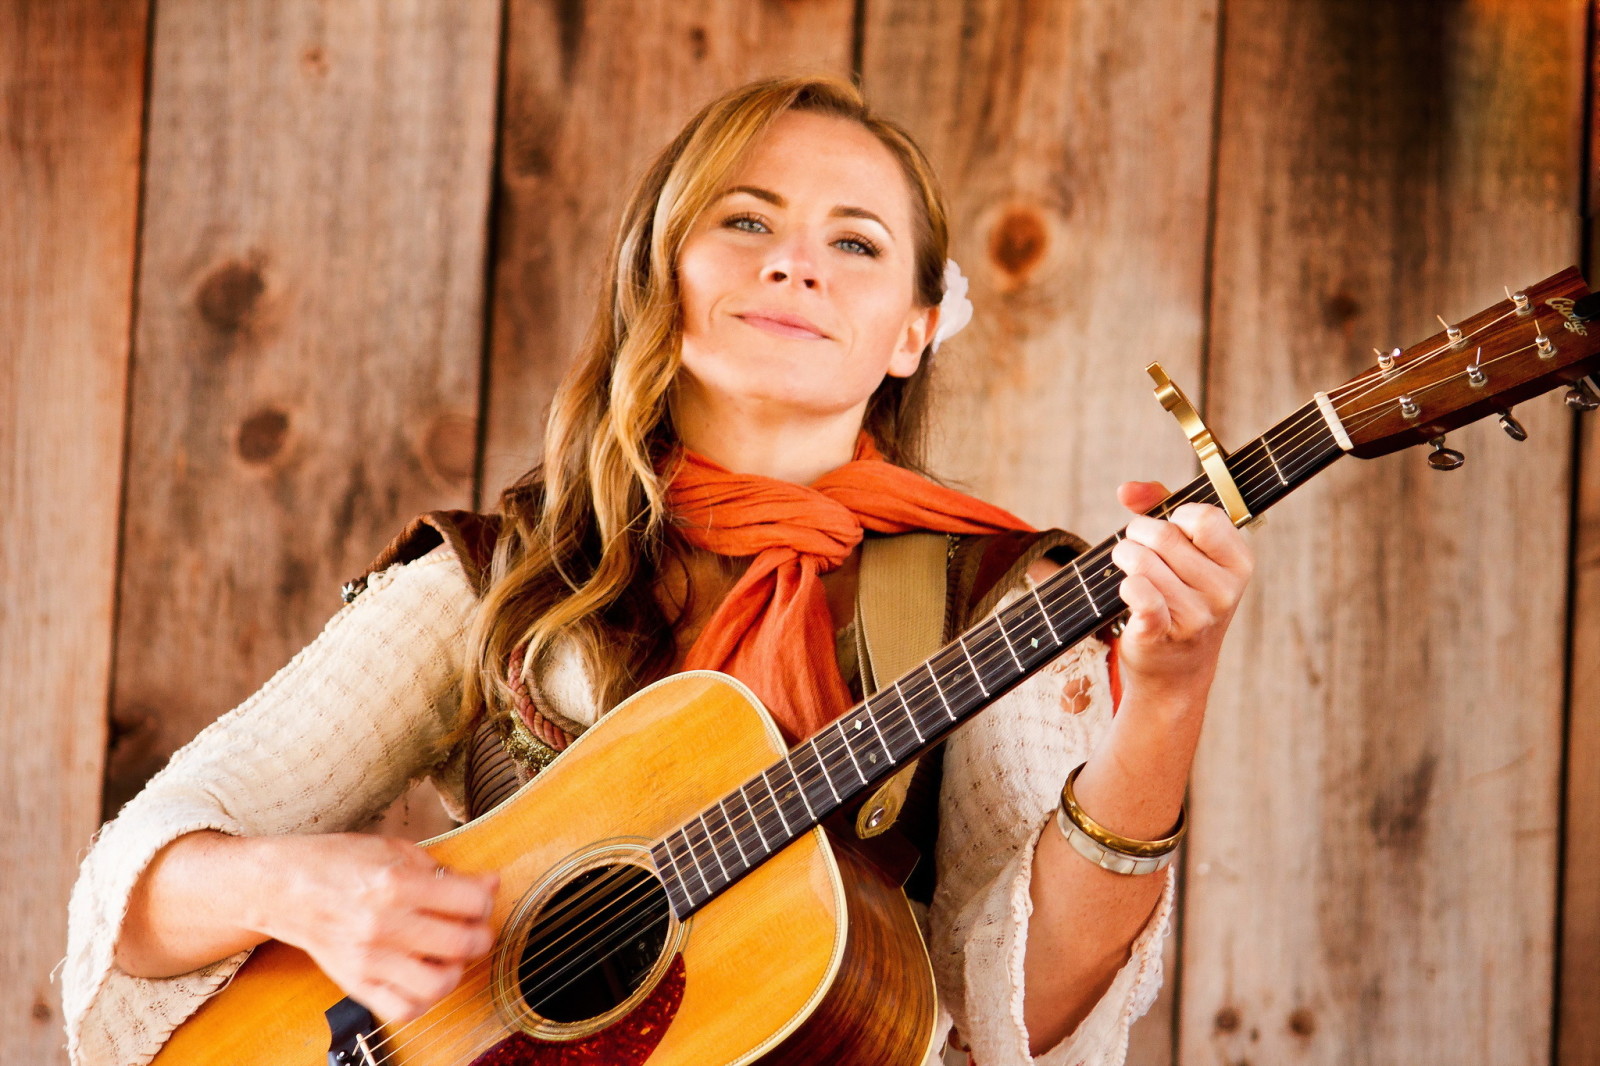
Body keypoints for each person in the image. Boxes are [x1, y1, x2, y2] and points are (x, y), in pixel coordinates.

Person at [63, 75, 1252, 1065]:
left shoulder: (997, 595)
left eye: (855, 241)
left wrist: (1166, 696)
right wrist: (293, 891)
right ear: (658, 277)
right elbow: (145, 881)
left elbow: (1017, 1014)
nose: (796, 263)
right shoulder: (505, 578)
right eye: (746, 220)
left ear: (911, 329)